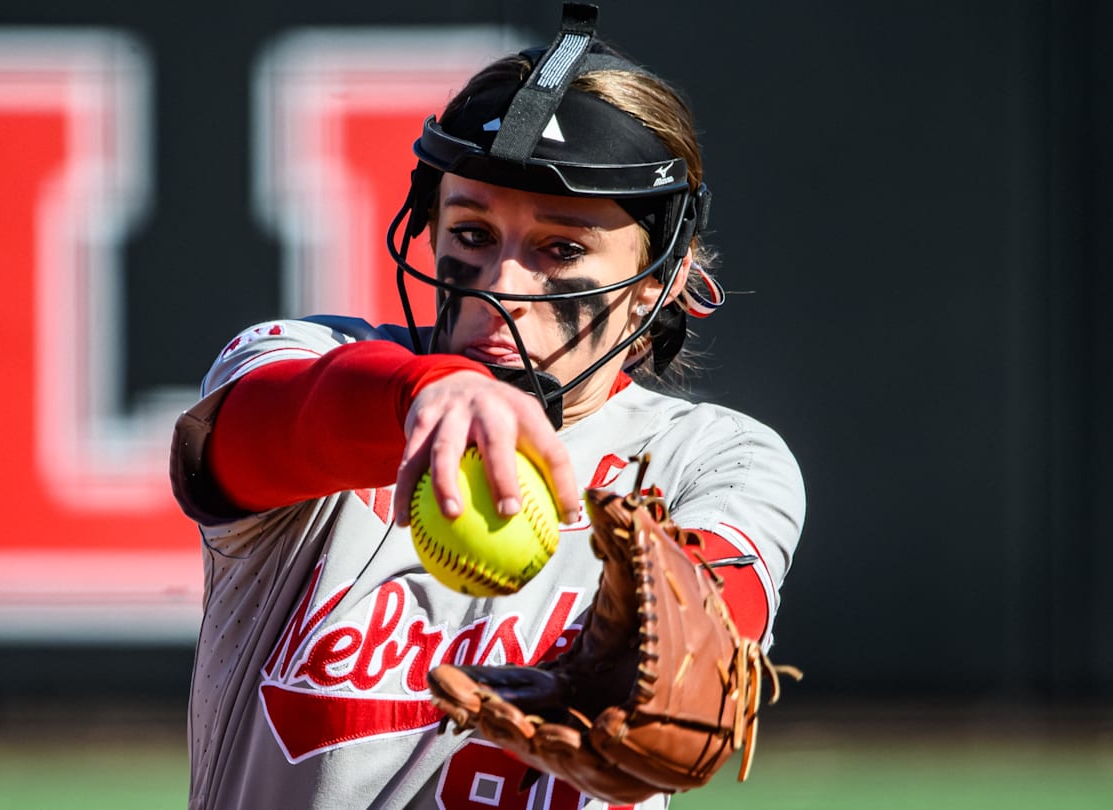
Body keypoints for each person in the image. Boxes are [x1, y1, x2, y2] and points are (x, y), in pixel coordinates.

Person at [169, 5, 805, 809]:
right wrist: (421, 392)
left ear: (663, 280)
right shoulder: (320, 364)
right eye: (471, 233)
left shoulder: (712, 458)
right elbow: (240, 445)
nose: (502, 284)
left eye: (561, 248)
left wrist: (690, 638)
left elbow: (719, 624)